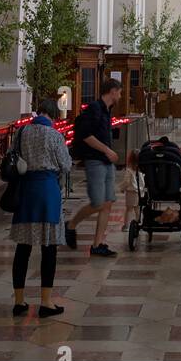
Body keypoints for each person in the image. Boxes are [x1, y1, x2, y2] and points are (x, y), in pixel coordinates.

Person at [9, 99, 72, 319]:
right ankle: (46, 302)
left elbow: (12, 157)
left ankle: (19, 301)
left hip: (26, 192)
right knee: (49, 248)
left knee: (23, 249)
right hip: (47, 192)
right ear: (53, 116)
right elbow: (66, 165)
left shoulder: (22, 132)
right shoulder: (55, 136)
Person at [65, 77, 122, 258]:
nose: (120, 95)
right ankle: (71, 224)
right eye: (119, 92)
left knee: (107, 203)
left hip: (106, 162)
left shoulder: (106, 110)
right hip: (95, 161)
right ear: (112, 91)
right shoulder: (94, 109)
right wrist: (107, 150)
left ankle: (98, 245)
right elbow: (85, 135)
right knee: (97, 203)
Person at [120, 148, 141, 232]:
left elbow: (127, 181)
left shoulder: (129, 171)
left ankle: (126, 226)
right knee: (138, 209)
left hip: (131, 193)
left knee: (129, 210)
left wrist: (122, 188)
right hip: (140, 192)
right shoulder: (142, 171)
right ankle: (139, 223)